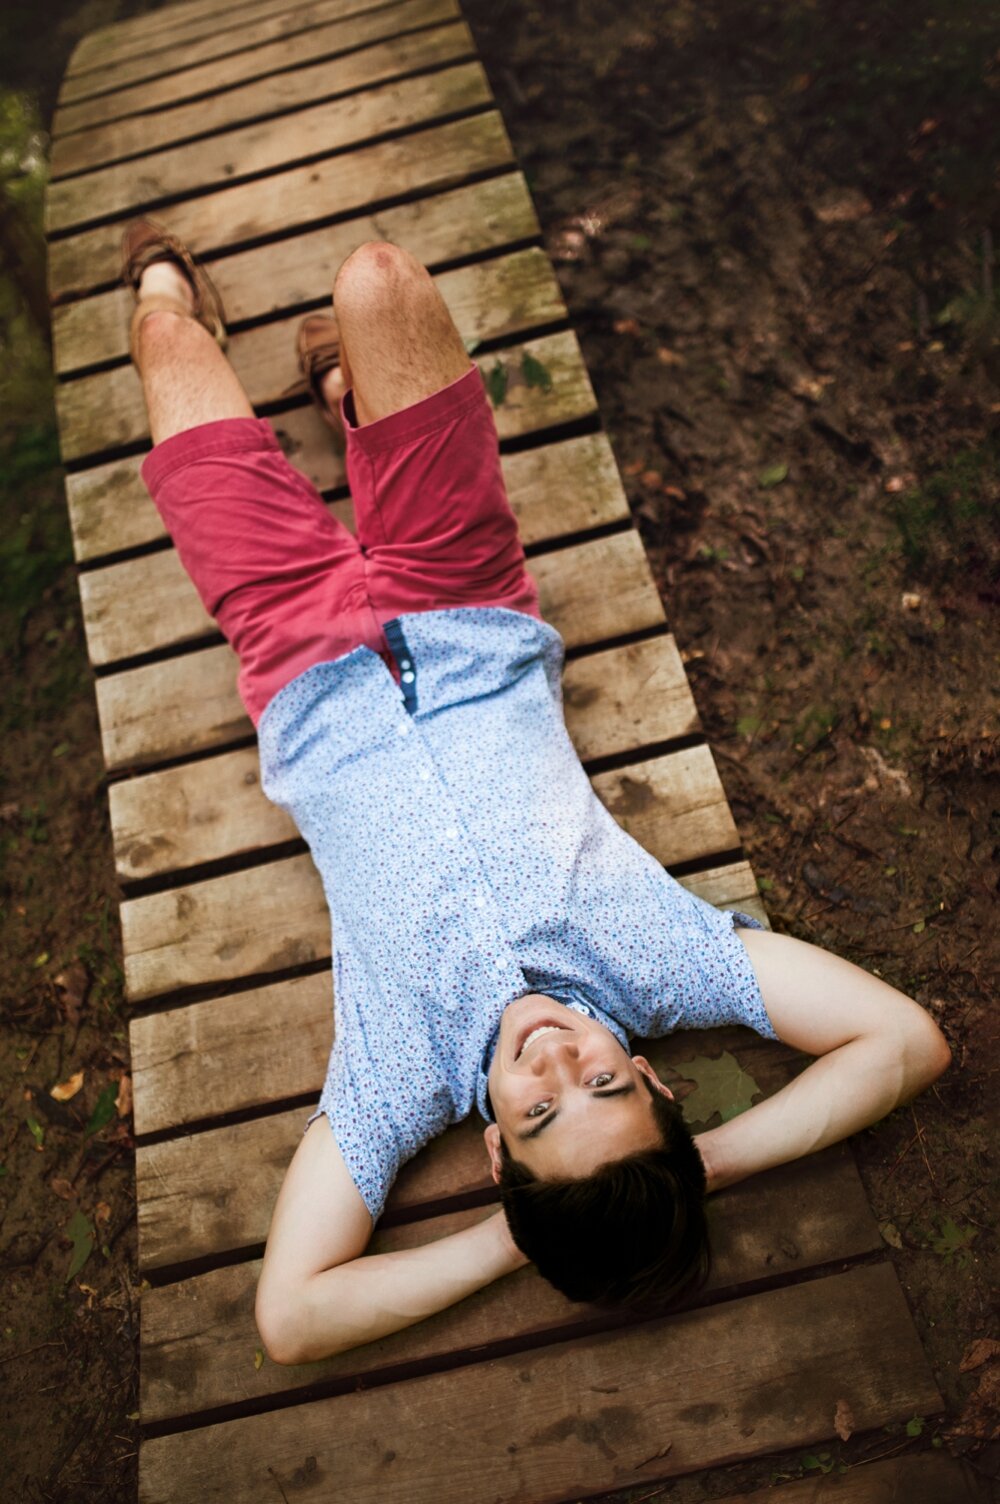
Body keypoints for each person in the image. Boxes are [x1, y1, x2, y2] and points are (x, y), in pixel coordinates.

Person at [122, 219, 951, 1366]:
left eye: (539, 1113)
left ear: (499, 1158)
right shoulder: (666, 961)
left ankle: (290, 370)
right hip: (461, 596)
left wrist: (511, 1241)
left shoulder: (397, 1076)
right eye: (605, 1082)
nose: (555, 1060)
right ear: (656, 1076)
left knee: (162, 333)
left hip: (294, 650)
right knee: (378, 278)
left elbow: (292, 1316)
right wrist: (709, 1164)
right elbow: (905, 1040)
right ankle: (349, 398)